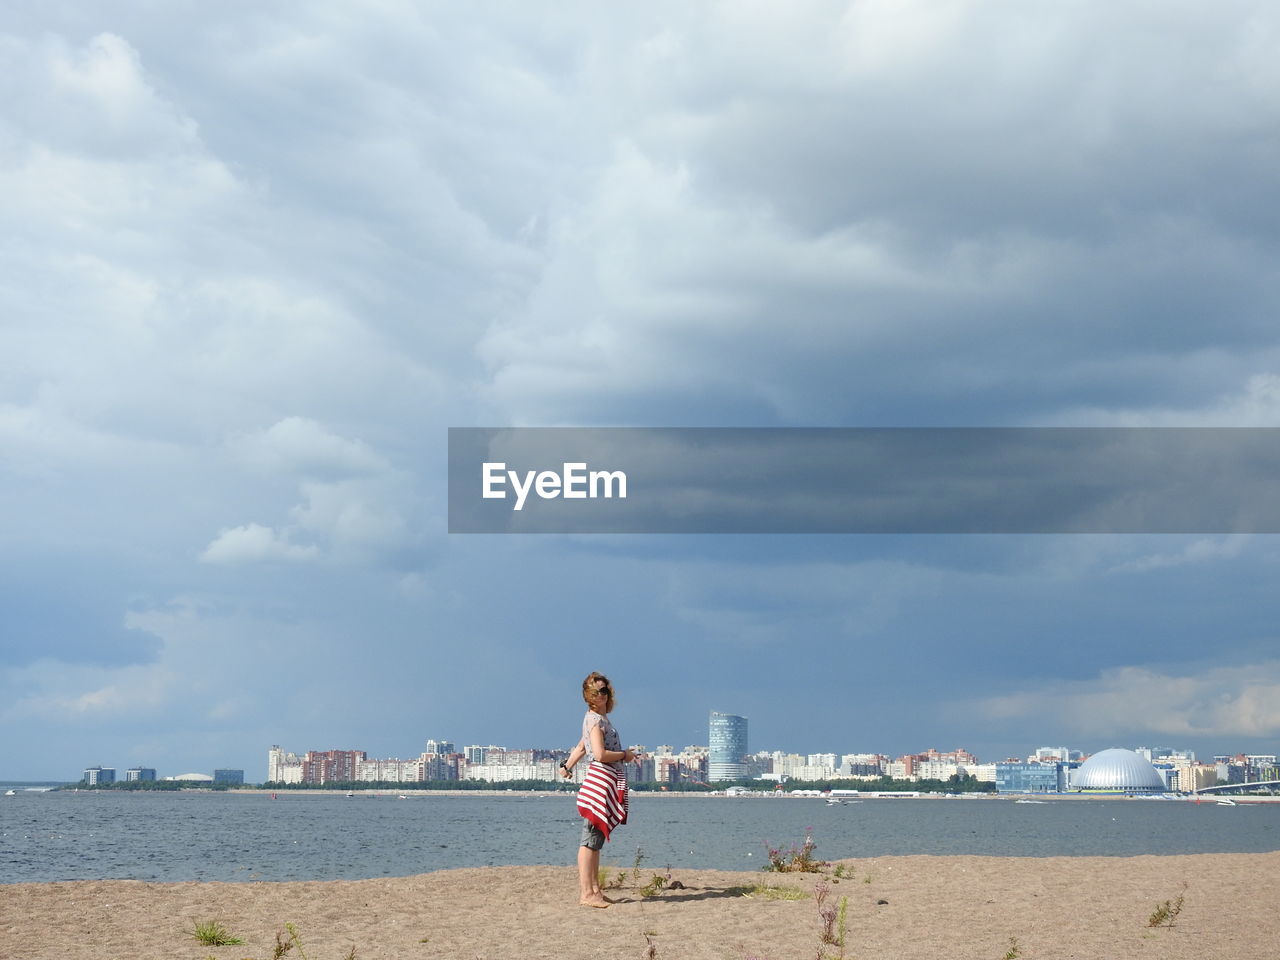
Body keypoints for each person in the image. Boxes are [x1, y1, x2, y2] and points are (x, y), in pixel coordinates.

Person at [560, 671, 637, 908]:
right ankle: (587, 893)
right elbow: (600, 754)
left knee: (596, 839)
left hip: (605, 781)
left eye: (604, 690)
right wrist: (625, 755)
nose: (601, 695)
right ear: (588, 696)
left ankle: (595, 890)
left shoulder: (597, 720)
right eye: (596, 692)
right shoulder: (594, 720)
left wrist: (567, 765)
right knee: (590, 839)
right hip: (600, 782)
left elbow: (583, 746)